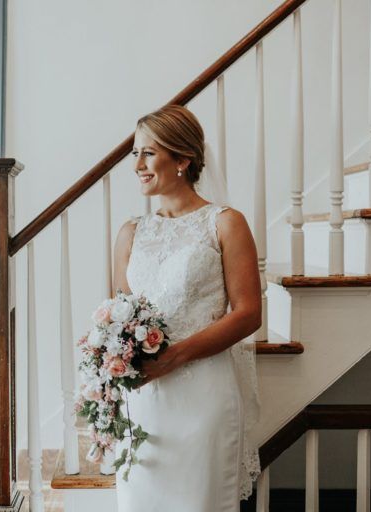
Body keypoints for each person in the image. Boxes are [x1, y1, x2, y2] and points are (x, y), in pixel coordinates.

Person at [112, 105, 262, 511]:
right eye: (134, 153)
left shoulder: (226, 223)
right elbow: (121, 320)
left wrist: (175, 356)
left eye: (148, 153)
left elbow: (248, 313)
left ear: (182, 159)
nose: (137, 165)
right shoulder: (131, 232)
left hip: (203, 396)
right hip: (145, 402)